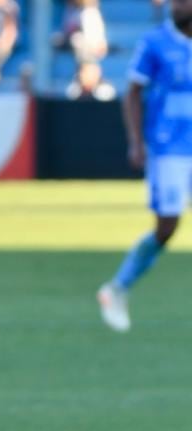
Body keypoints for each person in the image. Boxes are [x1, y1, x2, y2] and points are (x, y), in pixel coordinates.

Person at [98, 0, 192, 332]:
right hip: (167, 148)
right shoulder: (155, 43)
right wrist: (137, 141)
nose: (178, 6)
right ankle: (117, 288)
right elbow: (133, 92)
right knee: (167, 227)